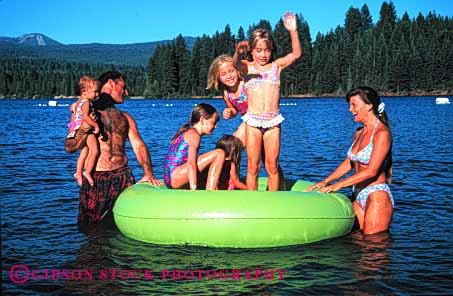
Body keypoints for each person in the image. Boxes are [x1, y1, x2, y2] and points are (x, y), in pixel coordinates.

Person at [72, 70, 161, 226]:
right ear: (111, 83)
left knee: (125, 225)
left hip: (123, 177)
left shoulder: (126, 118)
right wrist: (85, 128)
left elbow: (139, 146)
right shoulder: (88, 113)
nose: (126, 92)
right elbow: (70, 147)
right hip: (96, 178)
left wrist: (148, 174)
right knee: (92, 228)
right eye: (123, 87)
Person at [307, 86, 394, 235]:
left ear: (369, 106)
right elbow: (349, 162)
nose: (350, 109)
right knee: (355, 241)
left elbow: (371, 171)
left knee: (373, 247)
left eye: (354, 105)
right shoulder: (359, 132)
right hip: (359, 194)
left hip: (377, 195)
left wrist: (338, 185)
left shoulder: (382, 133)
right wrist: (325, 181)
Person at [233, 12, 301, 191]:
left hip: (273, 121)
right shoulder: (248, 67)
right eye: (259, 50)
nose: (263, 54)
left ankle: (273, 199)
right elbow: (235, 65)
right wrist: (237, 53)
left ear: (272, 50)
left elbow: (296, 53)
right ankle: (253, 200)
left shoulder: (276, 66)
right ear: (252, 51)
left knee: (272, 165)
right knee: (253, 166)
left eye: (267, 50)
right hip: (253, 122)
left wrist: (293, 30)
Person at [206, 54, 286, 189]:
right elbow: (233, 109)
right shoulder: (226, 92)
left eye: (231, 71)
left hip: (264, 120)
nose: (229, 76)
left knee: (270, 160)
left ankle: (280, 186)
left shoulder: (246, 82)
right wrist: (229, 112)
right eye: (223, 74)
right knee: (231, 146)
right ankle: (231, 181)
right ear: (218, 77)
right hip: (250, 123)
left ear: (238, 70)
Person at [164, 103, 225, 190]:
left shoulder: (190, 132)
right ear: (202, 120)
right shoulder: (194, 135)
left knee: (207, 160)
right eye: (213, 122)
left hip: (170, 179)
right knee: (219, 153)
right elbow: (191, 164)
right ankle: (210, 192)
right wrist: (193, 188)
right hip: (175, 178)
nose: (215, 126)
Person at [64, 75, 100, 186]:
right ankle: (87, 172)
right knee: (95, 151)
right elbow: (85, 117)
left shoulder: (79, 101)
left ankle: (78, 172)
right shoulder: (87, 102)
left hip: (75, 129)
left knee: (84, 152)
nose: (97, 94)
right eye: (95, 91)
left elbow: (74, 113)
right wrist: (96, 126)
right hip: (85, 130)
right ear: (84, 91)